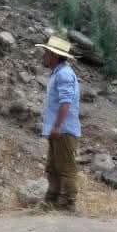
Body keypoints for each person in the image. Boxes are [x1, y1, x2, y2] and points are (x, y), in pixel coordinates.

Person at [40, 33, 81, 212]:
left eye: (46, 53)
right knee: (53, 168)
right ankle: (52, 202)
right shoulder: (58, 73)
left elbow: (66, 102)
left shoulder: (64, 74)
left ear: (54, 56)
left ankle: (68, 204)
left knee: (65, 169)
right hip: (58, 129)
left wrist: (57, 126)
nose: (43, 56)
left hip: (63, 130)